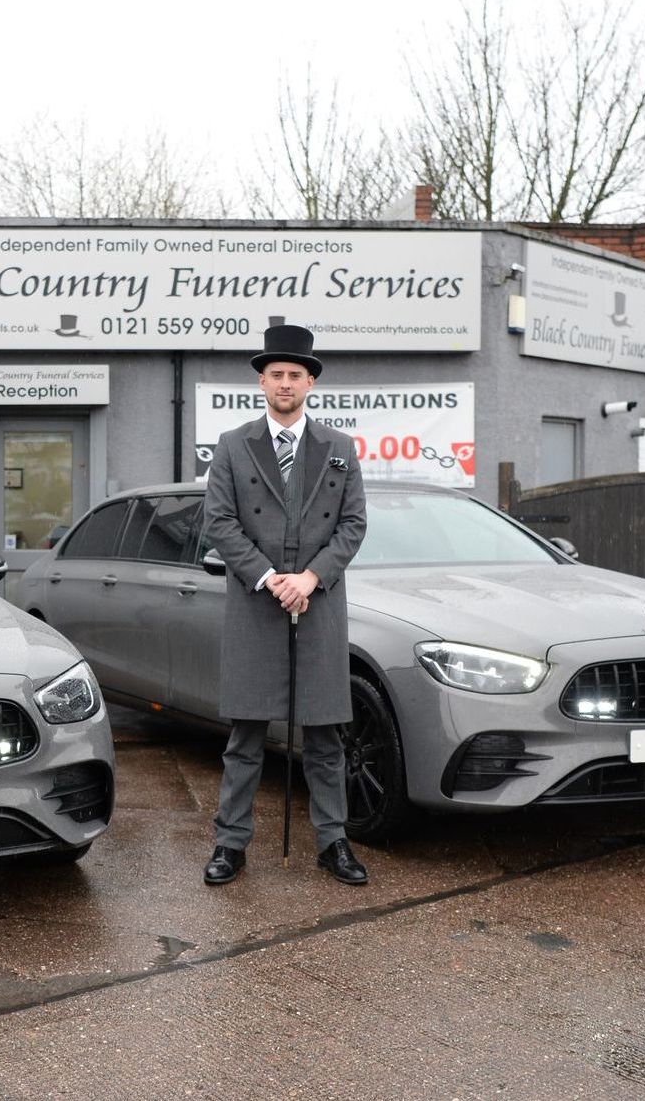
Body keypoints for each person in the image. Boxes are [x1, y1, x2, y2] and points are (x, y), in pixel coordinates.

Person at [201, 324, 368, 885]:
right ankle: (230, 843)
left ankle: (333, 842)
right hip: (256, 605)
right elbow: (219, 522)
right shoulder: (232, 444)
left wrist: (312, 578)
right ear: (262, 381)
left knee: (325, 736)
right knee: (245, 738)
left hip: (318, 606)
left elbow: (353, 524)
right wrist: (271, 577)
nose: (286, 383)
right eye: (276, 375)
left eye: (296, 375)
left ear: (310, 383)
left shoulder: (339, 448)